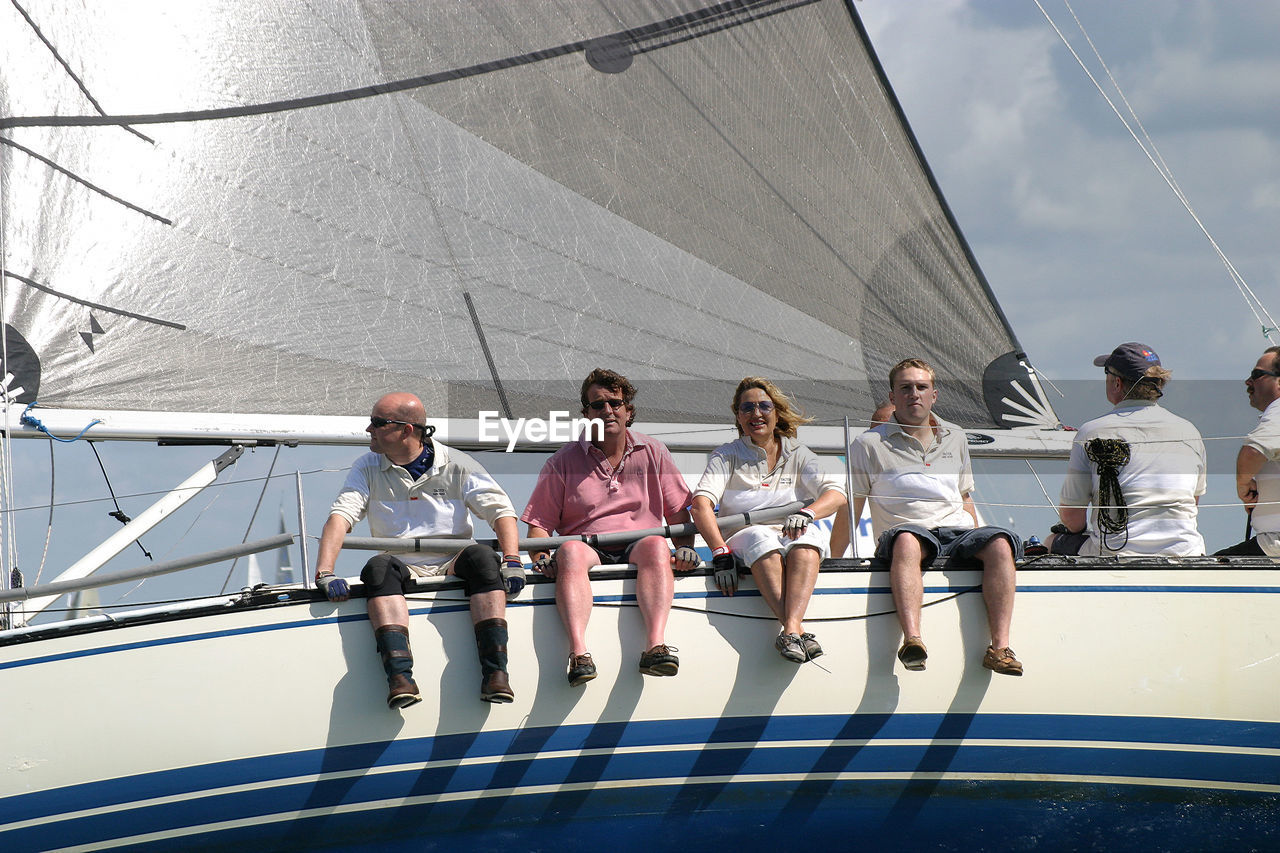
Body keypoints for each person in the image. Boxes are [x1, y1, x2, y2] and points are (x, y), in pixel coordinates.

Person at [314, 392, 524, 709]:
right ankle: (400, 680)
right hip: (400, 566)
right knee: (378, 567)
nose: (368, 430)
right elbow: (340, 518)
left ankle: (497, 675)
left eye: (377, 423)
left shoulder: (458, 463)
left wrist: (512, 561)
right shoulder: (367, 466)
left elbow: (501, 513)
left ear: (406, 430)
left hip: (454, 560)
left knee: (484, 558)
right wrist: (325, 572)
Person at [844, 358, 1023, 675]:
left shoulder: (956, 436)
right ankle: (913, 639)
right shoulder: (868, 444)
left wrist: (979, 539)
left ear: (934, 395)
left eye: (921, 387)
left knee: (999, 543)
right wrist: (834, 559)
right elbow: (853, 505)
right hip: (908, 533)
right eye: (905, 388)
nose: (914, 393)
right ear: (893, 397)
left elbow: (965, 497)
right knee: (908, 541)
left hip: (957, 532)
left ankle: (1000, 647)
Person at [522, 368, 697, 686]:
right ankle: (578, 653)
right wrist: (541, 559)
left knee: (658, 544)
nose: (607, 411)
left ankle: (655, 646)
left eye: (615, 403)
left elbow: (678, 517)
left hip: (641, 543)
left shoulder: (654, 452)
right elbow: (538, 529)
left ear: (628, 411)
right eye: (598, 405)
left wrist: (685, 548)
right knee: (571, 551)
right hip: (586, 546)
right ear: (586, 413)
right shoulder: (562, 462)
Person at [691, 377, 846, 663]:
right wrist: (719, 551)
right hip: (743, 535)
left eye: (764, 406)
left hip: (788, 531)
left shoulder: (797, 452)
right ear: (738, 416)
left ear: (776, 412)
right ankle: (797, 629)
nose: (756, 414)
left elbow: (836, 495)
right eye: (747, 408)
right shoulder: (726, 455)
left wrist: (807, 513)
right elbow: (701, 505)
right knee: (760, 537)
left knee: (810, 537)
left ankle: (790, 629)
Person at [1046, 343, 1206, 556]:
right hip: (1186, 552)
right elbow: (1192, 504)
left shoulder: (1092, 432)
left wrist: (1077, 531)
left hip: (1116, 552)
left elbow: (1072, 518)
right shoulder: (1190, 432)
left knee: (1051, 542)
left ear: (1117, 383)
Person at [1216, 346, 1280, 556]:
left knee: (1198, 577)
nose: (1248, 382)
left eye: (1257, 375)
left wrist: (1243, 486)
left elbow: (1252, 452)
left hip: (1274, 544)